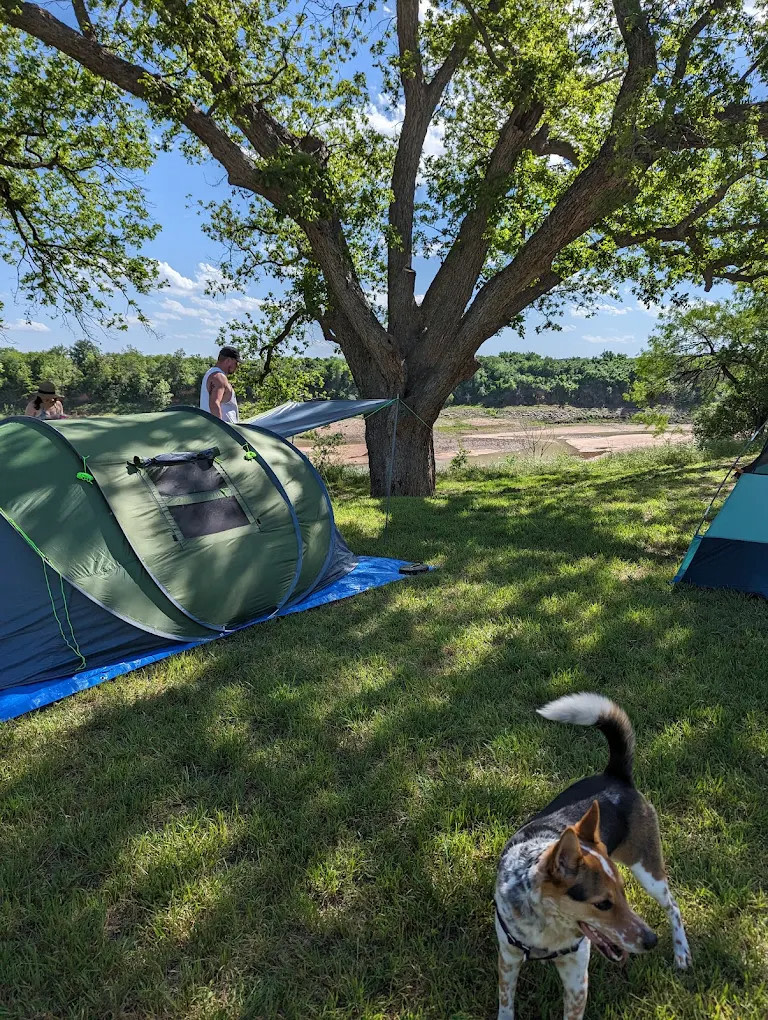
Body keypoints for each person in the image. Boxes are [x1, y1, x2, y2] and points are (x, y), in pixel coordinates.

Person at [200, 346, 241, 422]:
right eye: (236, 363)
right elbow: (214, 404)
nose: (237, 366)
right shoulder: (219, 377)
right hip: (222, 431)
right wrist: (219, 430)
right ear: (228, 360)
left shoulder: (211, 373)